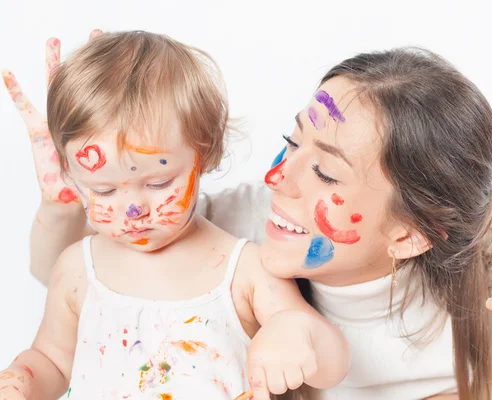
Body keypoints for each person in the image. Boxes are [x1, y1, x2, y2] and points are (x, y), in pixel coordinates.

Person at [4, 31, 492, 399]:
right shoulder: (243, 223)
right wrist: (68, 198)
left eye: (326, 173)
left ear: (411, 234)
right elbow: (78, 275)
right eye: (292, 143)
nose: (277, 178)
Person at [0, 30, 351, 400]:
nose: (133, 210)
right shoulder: (76, 268)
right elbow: (52, 362)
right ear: (71, 173)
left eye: (158, 183)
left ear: (206, 154)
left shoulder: (244, 270)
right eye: (103, 190)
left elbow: (336, 364)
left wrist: (296, 332)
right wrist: (21, 381)